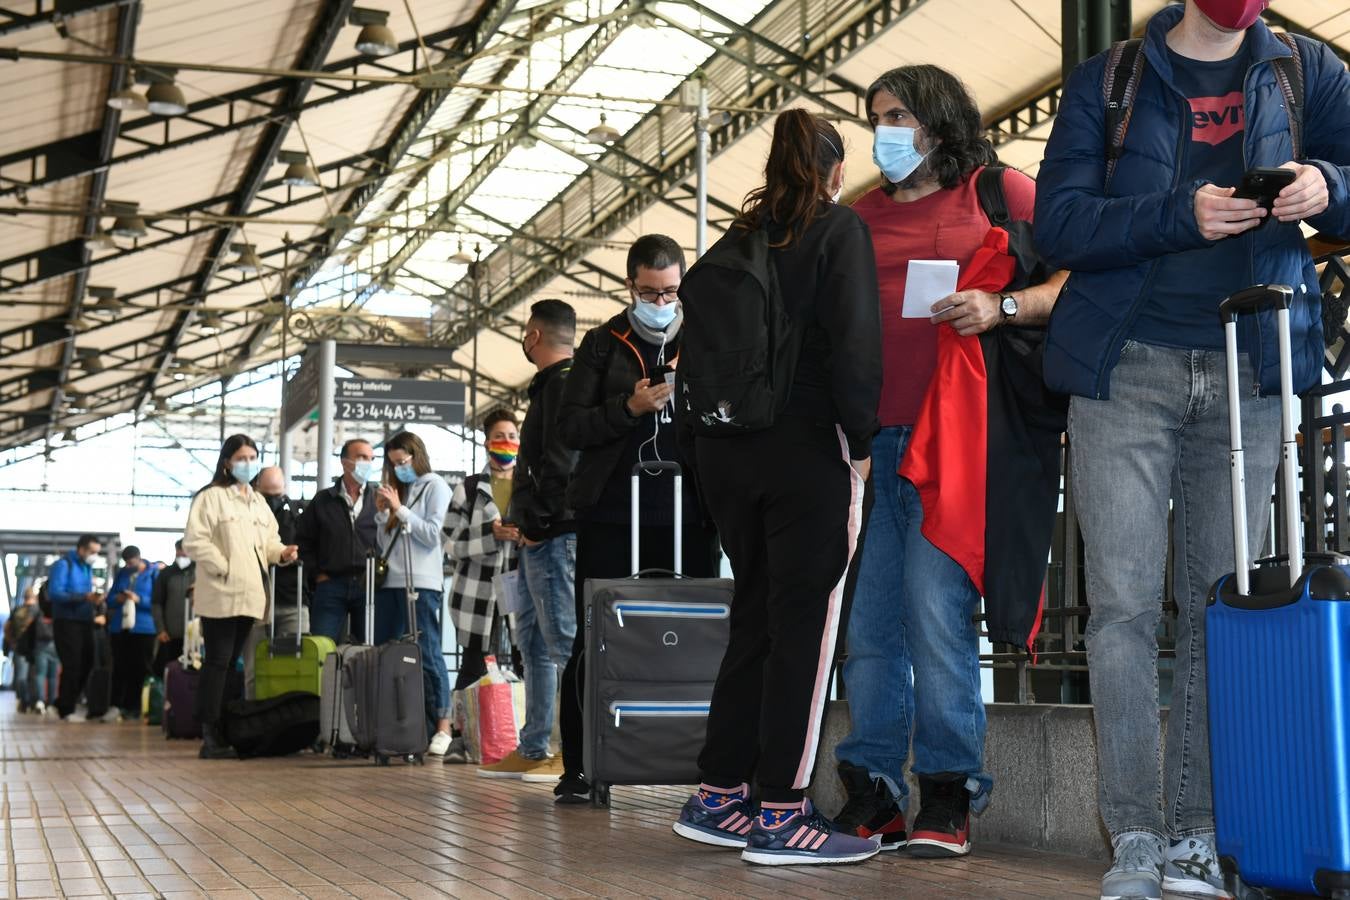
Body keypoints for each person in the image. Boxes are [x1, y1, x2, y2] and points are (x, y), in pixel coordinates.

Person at [1034, 2, 1350, 896]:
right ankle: (1135, 832)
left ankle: (1200, 833)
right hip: (1124, 366)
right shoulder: (1111, 78)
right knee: (1124, 611)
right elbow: (1057, 224)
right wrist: (1182, 213)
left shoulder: (1307, 69)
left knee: (1222, 608)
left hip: (1253, 368)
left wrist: (1327, 184)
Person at [828, 65, 1066, 859]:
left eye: (898, 115)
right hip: (872, 447)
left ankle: (947, 791)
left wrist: (999, 308)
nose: (884, 132)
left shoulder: (1002, 193)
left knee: (935, 619)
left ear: (939, 118)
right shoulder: (856, 217)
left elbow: (1072, 280)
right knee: (868, 632)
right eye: (876, 118)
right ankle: (872, 793)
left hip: (959, 442)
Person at [671, 109, 882, 866]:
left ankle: (720, 794)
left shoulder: (734, 243)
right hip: (804, 451)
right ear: (831, 171)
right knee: (806, 629)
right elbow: (857, 345)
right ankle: (783, 814)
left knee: (754, 618)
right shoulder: (838, 231)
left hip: (728, 456)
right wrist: (862, 445)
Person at [552, 234, 722, 804]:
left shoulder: (703, 337)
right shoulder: (602, 345)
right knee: (594, 637)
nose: (662, 301)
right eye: (650, 292)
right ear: (631, 286)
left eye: (672, 291)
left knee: (696, 637)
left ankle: (701, 764)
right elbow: (570, 427)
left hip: (690, 510)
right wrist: (628, 408)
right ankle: (580, 766)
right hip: (611, 512)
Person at [478, 299, 579, 780]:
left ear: (534, 336)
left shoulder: (561, 387)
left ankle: (577, 754)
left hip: (553, 537)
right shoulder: (554, 387)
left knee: (565, 643)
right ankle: (536, 744)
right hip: (541, 539)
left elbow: (558, 465)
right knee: (537, 646)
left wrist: (536, 526)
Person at [183, 434, 297, 759]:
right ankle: (209, 732)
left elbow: (269, 540)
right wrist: (224, 567)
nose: (248, 463)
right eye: (242, 458)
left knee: (232, 663)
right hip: (221, 591)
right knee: (217, 661)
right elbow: (195, 541)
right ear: (227, 463)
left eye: (253, 457)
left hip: (251, 594)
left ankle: (226, 728)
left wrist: (282, 553)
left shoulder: (258, 501)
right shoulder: (211, 497)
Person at [443, 409, 520, 763]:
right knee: (474, 662)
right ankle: (460, 738)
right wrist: (490, 535)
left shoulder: (530, 484)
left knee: (525, 659)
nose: (506, 444)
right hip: (477, 591)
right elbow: (450, 543)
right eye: (499, 437)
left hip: (519, 584)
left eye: (512, 436)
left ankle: (524, 737)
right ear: (487, 442)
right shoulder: (470, 488)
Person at [371, 430, 453, 757]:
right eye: (393, 464)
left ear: (415, 456)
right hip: (392, 580)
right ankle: (396, 725)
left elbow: (434, 535)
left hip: (422, 582)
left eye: (402, 461)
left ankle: (443, 725)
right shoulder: (400, 490)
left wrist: (400, 510)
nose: (399, 468)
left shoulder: (436, 486)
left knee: (428, 651)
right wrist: (383, 514)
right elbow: (386, 543)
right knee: (388, 653)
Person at [297, 439, 380, 643]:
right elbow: (303, 541)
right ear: (344, 462)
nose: (367, 463)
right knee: (321, 648)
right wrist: (317, 574)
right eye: (361, 457)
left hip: (368, 585)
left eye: (371, 458)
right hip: (330, 584)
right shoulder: (323, 500)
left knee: (369, 651)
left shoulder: (378, 499)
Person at [244, 466, 308, 698]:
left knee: (294, 668)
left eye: (278, 495)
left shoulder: (297, 517)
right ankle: (253, 722)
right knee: (254, 669)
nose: (273, 501)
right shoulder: (245, 515)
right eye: (267, 496)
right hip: (255, 603)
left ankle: (289, 722)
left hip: (292, 600)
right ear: (255, 488)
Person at [47, 534, 103, 721]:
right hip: (66, 621)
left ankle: (61, 703)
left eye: (97, 552)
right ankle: (66, 710)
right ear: (81, 549)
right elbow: (55, 593)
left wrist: (94, 599)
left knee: (88, 662)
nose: (94, 555)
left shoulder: (87, 567)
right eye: (92, 551)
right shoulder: (63, 565)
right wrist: (83, 597)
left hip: (84, 621)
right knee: (72, 664)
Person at [105, 545, 159, 720]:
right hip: (121, 626)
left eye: (131, 562)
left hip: (144, 627)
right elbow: (110, 598)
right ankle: (116, 705)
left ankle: (136, 706)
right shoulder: (123, 573)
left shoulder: (153, 573)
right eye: (126, 563)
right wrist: (118, 598)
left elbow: (158, 600)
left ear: (139, 558)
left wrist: (139, 599)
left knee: (141, 668)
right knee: (120, 667)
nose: (129, 566)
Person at [151, 540, 193, 678]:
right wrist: (160, 629)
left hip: (196, 636)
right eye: (179, 551)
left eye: (185, 550)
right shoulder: (166, 574)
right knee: (170, 673)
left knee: (193, 674)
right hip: (170, 635)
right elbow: (157, 603)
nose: (181, 554)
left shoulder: (200, 573)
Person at [21, 585, 58, 715]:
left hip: (40, 644)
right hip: (55, 643)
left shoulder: (37, 609)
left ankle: (40, 701)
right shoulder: (57, 607)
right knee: (53, 676)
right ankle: (52, 702)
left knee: (40, 674)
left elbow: (27, 625)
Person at [4, 588, 39, 713]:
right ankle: (35, 702)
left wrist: (11, 642)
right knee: (35, 676)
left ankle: (24, 701)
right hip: (36, 648)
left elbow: (6, 628)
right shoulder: (38, 611)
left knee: (21, 676)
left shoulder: (17, 610)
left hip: (19, 646)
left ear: (24, 597)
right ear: (34, 597)